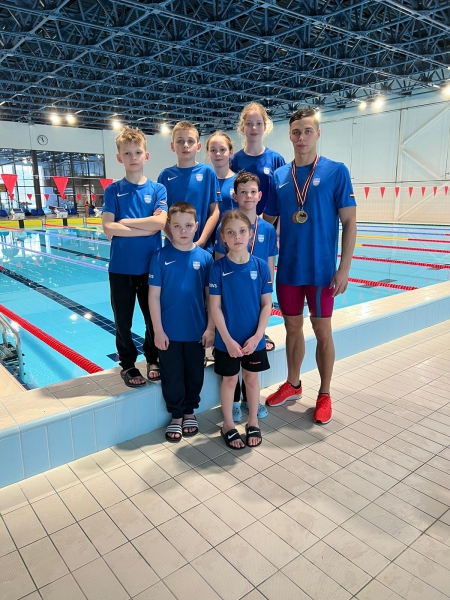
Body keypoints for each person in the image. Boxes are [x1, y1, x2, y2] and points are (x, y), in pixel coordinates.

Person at [263, 108, 357, 424]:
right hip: (289, 270)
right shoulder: (279, 176)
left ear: (317, 133)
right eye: (296, 132)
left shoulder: (336, 171)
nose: (301, 137)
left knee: (322, 330)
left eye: (307, 131)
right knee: (291, 328)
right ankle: (293, 384)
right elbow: (266, 222)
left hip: (321, 272)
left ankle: (325, 393)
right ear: (290, 136)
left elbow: (349, 222)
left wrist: (344, 268)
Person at [102, 126, 168, 387]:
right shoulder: (113, 190)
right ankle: (128, 365)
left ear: (146, 156)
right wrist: (145, 227)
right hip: (120, 269)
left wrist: (126, 222)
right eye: (127, 153)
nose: (133, 157)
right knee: (123, 321)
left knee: (153, 318)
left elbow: (160, 223)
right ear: (119, 157)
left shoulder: (158, 189)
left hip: (151, 268)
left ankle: (152, 358)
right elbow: (108, 227)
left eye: (137, 152)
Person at [214, 171, 278, 422]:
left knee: (252, 370)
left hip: (255, 299)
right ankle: (234, 404)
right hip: (231, 309)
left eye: (253, 192)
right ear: (235, 196)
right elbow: (219, 270)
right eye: (243, 192)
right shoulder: (226, 227)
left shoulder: (267, 230)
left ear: (259, 195)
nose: (248, 196)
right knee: (231, 373)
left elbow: (269, 268)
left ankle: (249, 404)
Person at [149, 202, 214, 442]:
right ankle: (176, 416)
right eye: (177, 226)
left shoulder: (205, 259)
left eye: (188, 225)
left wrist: (210, 328)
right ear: (169, 227)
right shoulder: (160, 257)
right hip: (169, 333)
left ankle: (189, 412)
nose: (183, 231)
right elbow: (153, 296)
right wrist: (158, 331)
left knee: (195, 374)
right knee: (172, 374)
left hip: (196, 331)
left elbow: (211, 299)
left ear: (196, 226)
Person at [209, 210, 273, 449]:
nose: (237, 237)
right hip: (227, 340)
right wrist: (226, 339)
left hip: (254, 339)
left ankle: (253, 421)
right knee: (229, 381)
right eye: (231, 232)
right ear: (223, 238)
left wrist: (258, 336)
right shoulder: (218, 269)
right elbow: (215, 307)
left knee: (252, 379)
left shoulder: (261, 267)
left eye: (242, 231)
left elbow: (267, 305)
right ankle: (228, 425)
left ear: (251, 234)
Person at [158, 121, 221, 252]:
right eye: (180, 141)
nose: (185, 145)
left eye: (190, 141)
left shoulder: (208, 173)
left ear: (198, 146)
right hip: (172, 247)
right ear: (172, 146)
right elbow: (161, 215)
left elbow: (214, 212)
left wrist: (201, 241)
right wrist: (174, 241)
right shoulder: (165, 175)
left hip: (202, 248)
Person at [231, 102, 285, 215]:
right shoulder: (234, 160)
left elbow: (282, 196)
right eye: (249, 124)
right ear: (243, 127)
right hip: (241, 221)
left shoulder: (276, 160)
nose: (254, 128)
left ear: (265, 126)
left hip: (269, 222)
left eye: (259, 123)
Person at [205, 131, 237, 218]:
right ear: (208, 153)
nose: (218, 154)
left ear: (230, 152)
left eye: (222, 150)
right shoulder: (204, 181)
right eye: (213, 150)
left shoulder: (239, 181)